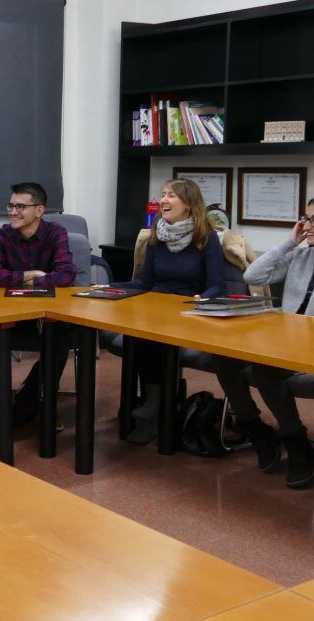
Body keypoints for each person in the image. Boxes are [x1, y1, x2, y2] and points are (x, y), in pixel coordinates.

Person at [209, 193, 314, 488]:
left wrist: (301, 336)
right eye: (306, 218)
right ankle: (256, 430)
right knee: (223, 357)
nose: (308, 224)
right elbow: (253, 275)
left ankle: (296, 443)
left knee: (263, 372)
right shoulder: (303, 253)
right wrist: (290, 242)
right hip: (282, 344)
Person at [112, 178, 225, 444]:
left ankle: (154, 406)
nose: (163, 200)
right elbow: (145, 283)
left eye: (171, 196)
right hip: (155, 309)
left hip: (188, 310)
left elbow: (216, 286)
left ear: (188, 205)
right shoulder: (156, 236)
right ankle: (155, 403)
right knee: (138, 334)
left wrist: (199, 301)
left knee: (151, 339)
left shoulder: (206, 239)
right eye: (163, 194)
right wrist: (108, 287)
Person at [0, 181, 76, 426]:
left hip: (46, 316)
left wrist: (24, 279)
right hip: (9, 315)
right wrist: (28, 274)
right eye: (11, 206)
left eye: (20, 207)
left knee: (61, 337)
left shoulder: (56, 234)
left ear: (39, 210)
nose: (13, 212)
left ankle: (38, 400)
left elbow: (66, 275)